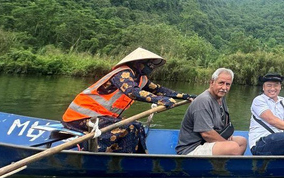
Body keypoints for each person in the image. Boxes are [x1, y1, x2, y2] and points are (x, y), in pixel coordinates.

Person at [62, 47, 195, 153]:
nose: (151, 67)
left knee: (137, 126)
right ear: (138, 63)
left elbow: (160, 90)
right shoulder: (122, 73)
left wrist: (184, 96)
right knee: (130, 127)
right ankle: (98, 152)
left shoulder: (141, 79)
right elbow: (132, 92)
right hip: (80, 118)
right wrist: (161, 100)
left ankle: (139, 157)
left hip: (101, 117)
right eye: (148, 64)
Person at [176, 68, 247, 156]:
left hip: (207, 142)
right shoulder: (204, 100)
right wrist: (226, 144)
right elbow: (207, 134)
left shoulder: (221, 98)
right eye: (221, 83)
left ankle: (224, 167)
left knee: (242, 142)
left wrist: (227, 141)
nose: (224, 88)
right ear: (212, 82)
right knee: (233, 147)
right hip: (192, 148)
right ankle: (221, 167)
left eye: (228, 84)